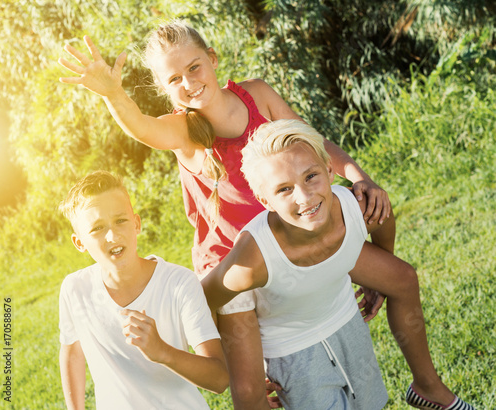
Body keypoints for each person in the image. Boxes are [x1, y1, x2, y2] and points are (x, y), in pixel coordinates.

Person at [58, 21, 390, 409]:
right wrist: (114, 93)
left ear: (212, 59)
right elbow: (143, 128)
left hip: (287, 236)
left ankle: (412, 364)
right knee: (251, 392)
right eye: (175, 79)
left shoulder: (258, 95)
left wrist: (358, 176)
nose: (188, 82)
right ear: (165, 89)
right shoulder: (185, 130)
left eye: (194, 68)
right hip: (233, 267)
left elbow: (310, 141)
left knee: (383, 270)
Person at [202, 120, 475, 410]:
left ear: (330, 170)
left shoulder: (359, 209)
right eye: (284, 189)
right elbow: (201, 301)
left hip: (336, 313)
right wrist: (233, 368)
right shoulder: (252, 259)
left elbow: (385, 224)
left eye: (311, 176)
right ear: (263, 200)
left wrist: (374, 280)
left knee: (371, 402)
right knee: (249, 394)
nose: (304, 197)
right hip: (285, 337)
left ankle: (427, 389)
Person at [58, 170, 228, 409]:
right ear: (79, 243)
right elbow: (72, 352)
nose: (112, 235)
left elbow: (219, 379)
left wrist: (162, 351)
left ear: (136, 224)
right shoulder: (74, 289)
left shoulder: (179, 283)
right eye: (97, 228)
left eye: (120, 220)